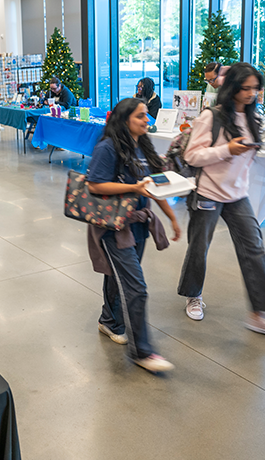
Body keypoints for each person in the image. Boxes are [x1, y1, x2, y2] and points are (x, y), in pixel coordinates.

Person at [177, 62, 265, 339]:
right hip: (208, 192)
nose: (252, 93)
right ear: (232, 88)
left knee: (254, 249)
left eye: (256, 88)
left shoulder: (254, 119)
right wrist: (226, 149)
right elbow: (191, 156)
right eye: (246, 88)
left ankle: (259, 315)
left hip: (238, 195)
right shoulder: (211, 116)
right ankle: (193, 296)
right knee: (199, 248)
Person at [86, 97, 181, 373]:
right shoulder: (108, 147)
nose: (147, 120)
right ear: (124, 119)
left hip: (139, 224)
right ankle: (142, 352)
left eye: (146, 115)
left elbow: (154, 186)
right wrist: (134, 188)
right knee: (136, 287)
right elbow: (94, 184)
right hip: (114, 227)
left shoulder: (144, 146)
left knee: (118, 276)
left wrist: (172, 217)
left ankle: (109, 320)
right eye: (140, 116)